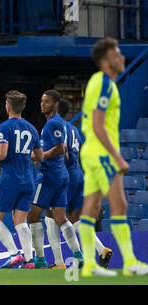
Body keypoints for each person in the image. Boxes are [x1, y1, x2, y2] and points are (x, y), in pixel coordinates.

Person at [79, 37, 148, 276]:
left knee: (90, 208)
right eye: (117, 54)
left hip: (91, 151)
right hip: (101, 154)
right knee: (120, 205)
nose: (122, 58)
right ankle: (129, 262)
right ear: (107, 60)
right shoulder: (105, 84)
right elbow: (99, 125)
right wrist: (117, 157)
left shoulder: (98, 82)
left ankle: (89, 264)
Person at [27, 89, 83, 269]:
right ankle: (78, 256)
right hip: (61, 176)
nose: (43, 104)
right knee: (60, 218)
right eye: (42, 101)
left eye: (47, 102)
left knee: (32, 215)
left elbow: (61, 149)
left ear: (56, 104)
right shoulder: (55, 124)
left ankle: (40, 259)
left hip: (49, 177)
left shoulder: (53, 123)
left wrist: (41, 156)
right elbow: (61, 153)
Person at [0, 90, 43, 269]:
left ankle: (14, 253)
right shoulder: (32, 128)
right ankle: (29, 261)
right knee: (21, 220)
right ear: (23, 107)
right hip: (28, 180)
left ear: (7, 106)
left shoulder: (4, 127)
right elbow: (39, 156)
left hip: (10, 180)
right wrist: (23, 155)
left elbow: (1, 154)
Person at [58, 98, 113, 268]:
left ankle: (60, 261)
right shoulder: (75, 129)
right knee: (75, 220)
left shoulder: (57, 127)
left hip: (66, 176)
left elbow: (62, 153)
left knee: (53, 216)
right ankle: (102, 250)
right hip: (80, 175)